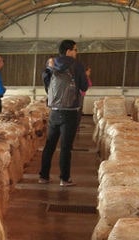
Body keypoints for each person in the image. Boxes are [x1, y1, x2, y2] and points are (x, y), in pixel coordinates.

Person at [39, 40, 90, 186]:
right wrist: (85, 76)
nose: (76, 52)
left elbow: (47, 84)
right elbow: (84, 86)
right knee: (66, 147)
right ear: (68, 51)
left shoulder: (51, 63)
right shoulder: (77, 65)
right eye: (75, 49)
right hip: (70, 111)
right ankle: (64, 178)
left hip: (54, 111)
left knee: (49, 145)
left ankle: (43, 176)